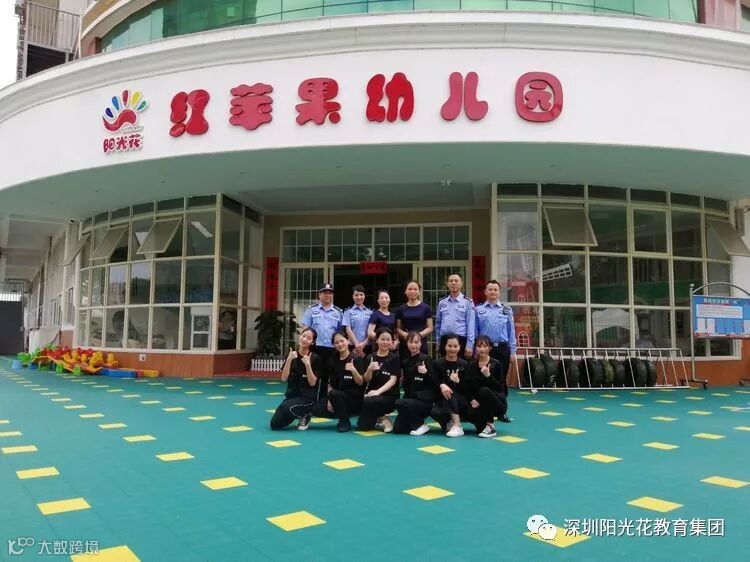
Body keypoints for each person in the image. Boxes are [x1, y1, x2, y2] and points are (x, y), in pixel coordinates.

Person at [474, 279, 515, 423]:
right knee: (483, 380)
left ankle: (502, 411)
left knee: (501, 381)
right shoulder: (478, 309)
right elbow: (475, 331)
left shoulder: (506, 309)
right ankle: (484, 410)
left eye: (495, 290)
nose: (493, 292)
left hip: (502, 349)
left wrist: (513, 351)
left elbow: (511, 331)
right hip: (484, 349)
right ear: (485, 292)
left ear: (499, 292)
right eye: (490, 289)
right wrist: (476, 350)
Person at [270, 328, 323, 431]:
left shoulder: (315, 358)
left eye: (309, 338)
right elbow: (284, 378)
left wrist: (308, 365)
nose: (304, 339)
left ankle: (306, 414)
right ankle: (297, 413)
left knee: (286, 408)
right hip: (291, 396)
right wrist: (289, 359)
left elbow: (312, 383)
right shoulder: (291, 355)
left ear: (312, 342)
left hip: (307, 398)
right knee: (275, 424)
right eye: (303, 336)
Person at [430, 334, 482, 437]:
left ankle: (459, 422)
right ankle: (456, 425)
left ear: (459, 347)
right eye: (449, 346)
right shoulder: (437, 363)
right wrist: (442, 385)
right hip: (445, 401)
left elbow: (468, 388)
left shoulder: (465, 365)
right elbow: (433, 381)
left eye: (455, 346)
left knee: (481, 426)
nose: (452, 349)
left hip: (462, 401)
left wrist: (458, 382)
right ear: (445, 346)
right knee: (434, 410)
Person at [356, 328, 401, 433]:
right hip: (371, 396)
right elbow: (366, 379)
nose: (385, 342)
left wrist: (377, 392)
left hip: (389, 396)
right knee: (364, 427)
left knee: (369, 401)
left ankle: (383, 417)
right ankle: (380, 417)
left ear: (392, 341)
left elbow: (393, 381)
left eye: (388, 339)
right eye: (382, 339)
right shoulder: (370, 357)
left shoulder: (394, 358)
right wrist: (369, 369)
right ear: (376, 340)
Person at [393, 331, 438, 436]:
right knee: (398, 429)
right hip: (410, 401)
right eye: (411, 342)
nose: (413, 345)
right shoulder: (405, 362)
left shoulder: (426, 359)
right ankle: (416, 423)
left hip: (423, 401)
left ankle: (420, 424)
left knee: (399, 402)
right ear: (407, 343)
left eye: (416, 342)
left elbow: (435, 382)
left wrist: (426, 373)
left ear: (421, 343)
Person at [319, 331, 365, 432]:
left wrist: (353, 370)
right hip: (338, 396)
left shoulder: (356, 359)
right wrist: (330, 401)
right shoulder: (332, 360)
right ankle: (342, 412)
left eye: (342, 341)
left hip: (354, 398)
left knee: (335, 394)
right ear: (333, 345)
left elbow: (360, 382)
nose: (340, 344)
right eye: (336, 343)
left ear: (348, 341)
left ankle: (344, 421)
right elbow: (330, 383)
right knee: (317, 408)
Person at [470, 336, 509, 438]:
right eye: (479, 346)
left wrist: (488, 376)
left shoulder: (496, 364)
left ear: (490, 348)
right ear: (475, 348)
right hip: (479, 404)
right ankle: (483, 424)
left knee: (484, 391)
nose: (482, 349)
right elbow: (469, 387)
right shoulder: (472, 366)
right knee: (479, 427)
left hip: (497, 403)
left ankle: (491, 425)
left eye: (485, 346)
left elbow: (500, 387)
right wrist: (472, 399)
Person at [435, 273, 476, 358]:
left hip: (461, 340)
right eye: (451, 281)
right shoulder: (442, 302)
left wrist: (469, 344)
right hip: (445, 340)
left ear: (461, 283)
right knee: (444, 365)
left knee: (461, 365)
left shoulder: (467, 302)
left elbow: (471, 325)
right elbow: (438, 324)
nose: (453, 283)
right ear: (447, 284)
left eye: (456, 281)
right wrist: (438, 342)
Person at [302, 282, 342, 365]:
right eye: (325, 293)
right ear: (319, 295)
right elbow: (305, 329)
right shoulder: (311, 310)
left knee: (329, 371)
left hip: (332, 348)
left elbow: (340, 332)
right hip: (315, 347)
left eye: (330, 293)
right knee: (314, 370)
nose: (327, 295)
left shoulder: (338, 312)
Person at [395, 280, 433, 359]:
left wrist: (418, 336)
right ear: (405, 291)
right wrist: (406, 335)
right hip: (406, 342)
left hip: (420, 342)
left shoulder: (426, 308)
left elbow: (430, 327)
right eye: (410, 289)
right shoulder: (400, 309)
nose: (412, 291)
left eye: (415, 289)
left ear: (419, 292)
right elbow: (398, 328)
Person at [342, 285, 372, 357]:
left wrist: (364, 344)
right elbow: (348, 330)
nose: (359, 297)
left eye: (361, 295)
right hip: (352, 346)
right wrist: (357, 345)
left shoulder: (370, 312)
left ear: (364, 296)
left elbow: (371, 330)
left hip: (367, 345)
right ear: (352, 296)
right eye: (356, 295)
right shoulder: (348, 311)